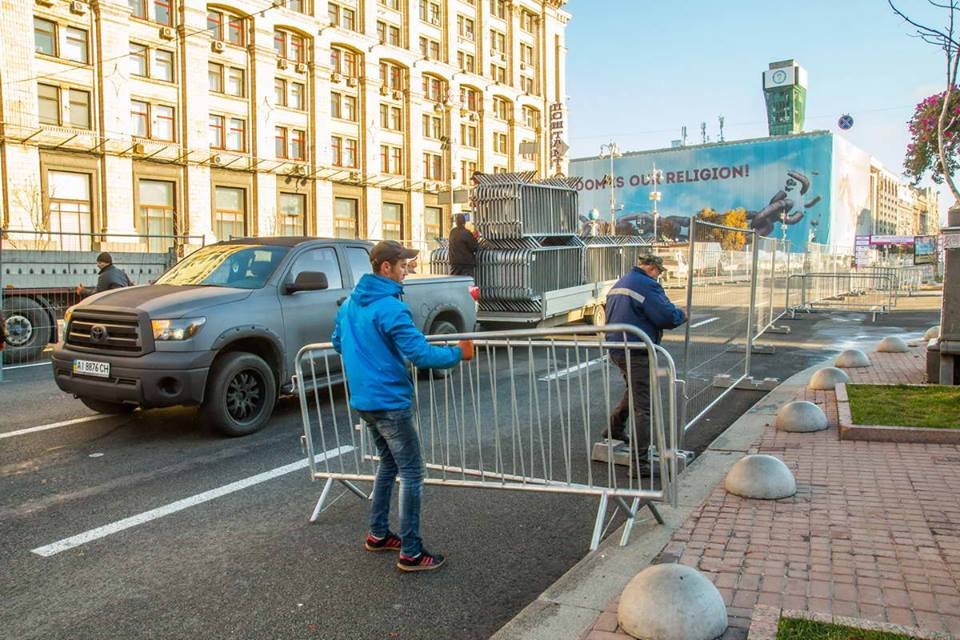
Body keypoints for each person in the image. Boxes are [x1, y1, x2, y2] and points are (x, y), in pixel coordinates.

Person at [332, 240, 474, 573]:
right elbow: (421, 354)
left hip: (364, 400)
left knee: (388, 464)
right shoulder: (391, 308)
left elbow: (339, 342)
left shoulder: (350, 304)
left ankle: (378, 534)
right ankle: (411, 551)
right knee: (412, 472)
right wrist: (458, 353)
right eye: (404, 264)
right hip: (390, 402)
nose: (407, 269)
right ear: (386, 267)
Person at [603, 255, 686, 455]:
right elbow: (665, 316)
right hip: (636, 349)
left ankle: (614, 429)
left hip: (617, 347)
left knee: (634, 390)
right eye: (659, 272)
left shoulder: (622, 281)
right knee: (643, 406)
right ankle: (640, 461)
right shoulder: (647, 285)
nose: (659, 276)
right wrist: (682, 314)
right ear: (652, 268)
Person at [448, 213, 479, 278]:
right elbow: (474, 247)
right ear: (464, 222)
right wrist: (475, 238)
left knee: (455, 282)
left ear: (456, 222)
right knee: (467, 282)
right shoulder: (466, 232)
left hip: (454, 263)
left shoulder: (452, 232)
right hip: (465, 263)